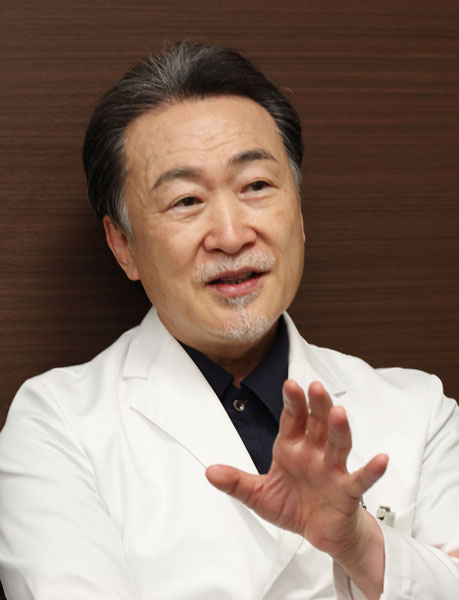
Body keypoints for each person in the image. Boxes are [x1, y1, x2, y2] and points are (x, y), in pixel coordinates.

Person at [0, 41, 458, 600]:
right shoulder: (56, 424)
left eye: (257, 186)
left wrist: (360, 543)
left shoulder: (421, 413)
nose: (233, 235)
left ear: (299, 213)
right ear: (124, 246)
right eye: (186, 200)